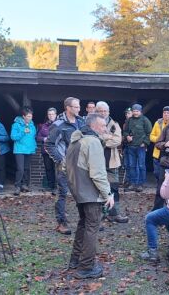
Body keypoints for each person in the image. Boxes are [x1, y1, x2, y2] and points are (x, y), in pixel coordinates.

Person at [65, 113, 115, 279]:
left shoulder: (75, 141)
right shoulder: (92, 142)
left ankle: (75, 260)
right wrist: (107, 193)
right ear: (93, 126)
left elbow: (66, 168)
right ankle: (86, 267)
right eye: (102, 126)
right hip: (91, 194)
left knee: (83, 225)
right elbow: (98, 173)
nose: (104, 129)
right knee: (92, 228)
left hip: (79, 192)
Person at [45, 97, 86, 235]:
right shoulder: (58, 124)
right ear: (68, 108)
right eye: (76, 107)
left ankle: (86, 221)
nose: (79, 109)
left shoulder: (81, 122)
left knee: (83, 193)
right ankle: (61, 223)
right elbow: (49, 144)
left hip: (81, 165)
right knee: (62, 193)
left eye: (79, 106)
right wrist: (60, 160)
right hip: (65, 166)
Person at [95, 101, 129, 223]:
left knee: (113, 188)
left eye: (105, 111)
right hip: (96, 162)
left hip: (112, 162)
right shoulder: (92, 124)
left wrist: (102, 139)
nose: (103, 113)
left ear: (108, 112)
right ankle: (98, 214)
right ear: (96, 112)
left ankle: (113, 213)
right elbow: (93, 138)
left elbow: (117, 141)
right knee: (97, 189)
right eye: (100, 111)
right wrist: (107, 137)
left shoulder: (114, 125)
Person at [122, 104, 152, 192]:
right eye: (134, 111)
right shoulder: (129, 121)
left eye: (137, 111)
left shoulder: (145, 120)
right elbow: (125, 131)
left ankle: (140, 184)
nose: (135, 113)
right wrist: (127, 136)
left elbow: (149, 133)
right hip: (131, 146)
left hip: (141, 147)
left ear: (140, 111)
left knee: (141, 165)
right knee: (131, 165)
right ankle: (132, 183)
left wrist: (145, 143)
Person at [10, 107, 36, 196]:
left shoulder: (32, 124)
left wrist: (34, 147)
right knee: (20, 169)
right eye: (28, 116)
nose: (30, 118)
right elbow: (13, 137)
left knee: (26, 168)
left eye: (31, 116)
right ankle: (17, 186)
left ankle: (24, 185)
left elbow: (33, 136)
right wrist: (23, 132)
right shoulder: (16, 125)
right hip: (19, 149)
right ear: (23, 116)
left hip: (29, 149)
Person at [36, 108, 58, 195]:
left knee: (57, 169)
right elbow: (38, 137)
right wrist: (43, 138)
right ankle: (51, 186)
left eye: (52, 114)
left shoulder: (59, 124)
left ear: (56, 114)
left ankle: (57, 187)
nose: (51, 116)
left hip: (56, 151)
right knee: (48, 169)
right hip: (46, 151)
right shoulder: (44, 125)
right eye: (49, 114)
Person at [150, 106, 169, 181]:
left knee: (168, 172)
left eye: (168, 113)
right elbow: (151, 136)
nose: (166, 114)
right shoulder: (158, 123)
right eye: (164, 113)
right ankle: (161, 184)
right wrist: (158, 140)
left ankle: (164, 188)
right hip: (158, 151)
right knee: (156, 172)